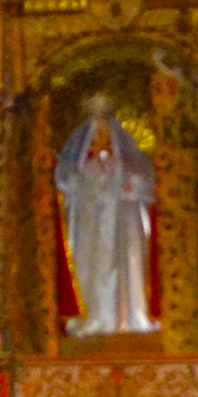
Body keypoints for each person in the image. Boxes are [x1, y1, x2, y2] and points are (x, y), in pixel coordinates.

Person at [55, 108, 162, 335]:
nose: (101, 138)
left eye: (105, 132)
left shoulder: (128, 166)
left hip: (123, 229)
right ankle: (96, 317)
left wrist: (130, 191)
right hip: (91, 229)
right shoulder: (83, 169)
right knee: (93, 270)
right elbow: (67, 190)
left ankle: (126, 318)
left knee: (125, 269)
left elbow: (145, 190)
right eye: (96, 133)